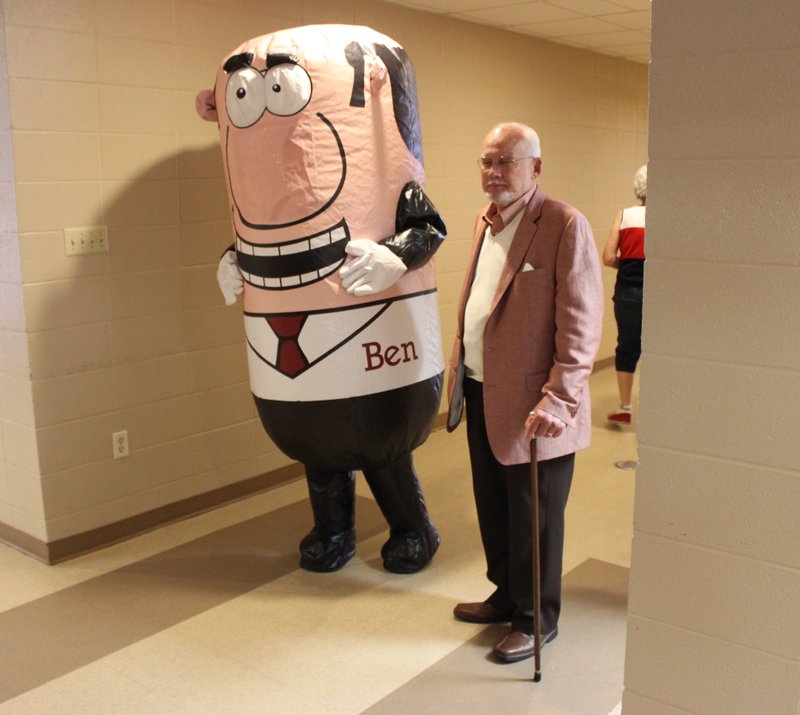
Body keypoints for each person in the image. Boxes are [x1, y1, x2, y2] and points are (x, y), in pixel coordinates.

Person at [446, 122, 603, 662]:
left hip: (538, 406)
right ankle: (506, 595)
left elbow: (581, 322)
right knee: (494, 507)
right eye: (486, 162)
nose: (493, 173)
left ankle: (537, 619)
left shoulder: (563, 224)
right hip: (482, 390)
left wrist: (560, 398)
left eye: (505, 162)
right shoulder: (485, 222)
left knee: (534, 516)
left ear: (535, 167)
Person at [603, 165, 647, 425]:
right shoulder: (673, 217)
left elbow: (608, 257)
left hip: (628, 293)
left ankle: (625, 408)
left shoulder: (625, 215)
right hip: (661, 297)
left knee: (627, 348)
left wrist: (628, 264)